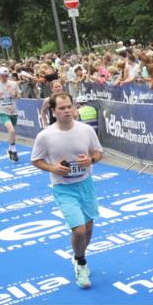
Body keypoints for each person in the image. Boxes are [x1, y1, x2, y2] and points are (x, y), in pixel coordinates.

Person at [31, 93, 105, 289]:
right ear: (53, 111)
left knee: (88, 229)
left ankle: (78, 256)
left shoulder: (86, 130)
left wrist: (91, 160)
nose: (66, 111)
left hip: (86, 184)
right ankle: (81, 263)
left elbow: (98, 152)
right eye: (61, 108)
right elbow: (36, 160)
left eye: (69, 107)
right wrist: (53, 168)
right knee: (79, 230)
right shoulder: (45, 135)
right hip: (63, 188)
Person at [0, 67, 20, 161]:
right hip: (2, 111)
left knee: (12, 131)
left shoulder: (14, 84)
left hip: (13, 110)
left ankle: (10, 149)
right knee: (12, 130)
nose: (5, 77)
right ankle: (14, 151)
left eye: (6, 75)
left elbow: (19, 96)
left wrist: (15, 95)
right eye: (2, 75)